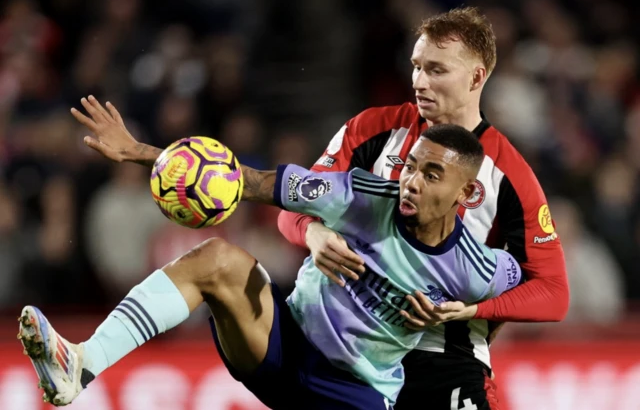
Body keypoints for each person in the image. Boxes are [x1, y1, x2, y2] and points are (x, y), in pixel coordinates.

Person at [19, 97, 522, 409]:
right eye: (411, 166)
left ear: (465, 195)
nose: (411, 181)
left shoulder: (477, 268)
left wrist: (467, 313)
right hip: (283, 344)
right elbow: (252, 182)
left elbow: (534, 294)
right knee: (216, 258)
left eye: (431, 175)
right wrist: (144, 153)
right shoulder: (363, 196)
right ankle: (81, 364)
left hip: (355, 395)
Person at [277, 7, 569, 409]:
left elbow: (553, 293)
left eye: (436, 70)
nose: (418, 81)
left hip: (443, 358)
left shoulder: (510, 174)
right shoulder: (371, 130)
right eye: (416, 67)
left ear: (476, 77)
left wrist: (472, 310)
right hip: (354, 345)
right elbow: (291, 203)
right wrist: (311, 232)